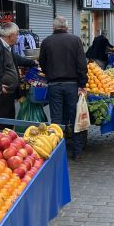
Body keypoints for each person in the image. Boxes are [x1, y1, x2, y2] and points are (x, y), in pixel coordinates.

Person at [39, 16, 89, 159]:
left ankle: (56, 152)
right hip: (72, 85)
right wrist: (82, 84)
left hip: (54, 85)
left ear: (53, 27)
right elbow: (81, 65)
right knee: (75, 118)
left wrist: (50, 73)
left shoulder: (47, 41)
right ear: (66, 27)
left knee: (56, 119)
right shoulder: (75, 40)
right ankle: (77, 151)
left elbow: (42, 62)